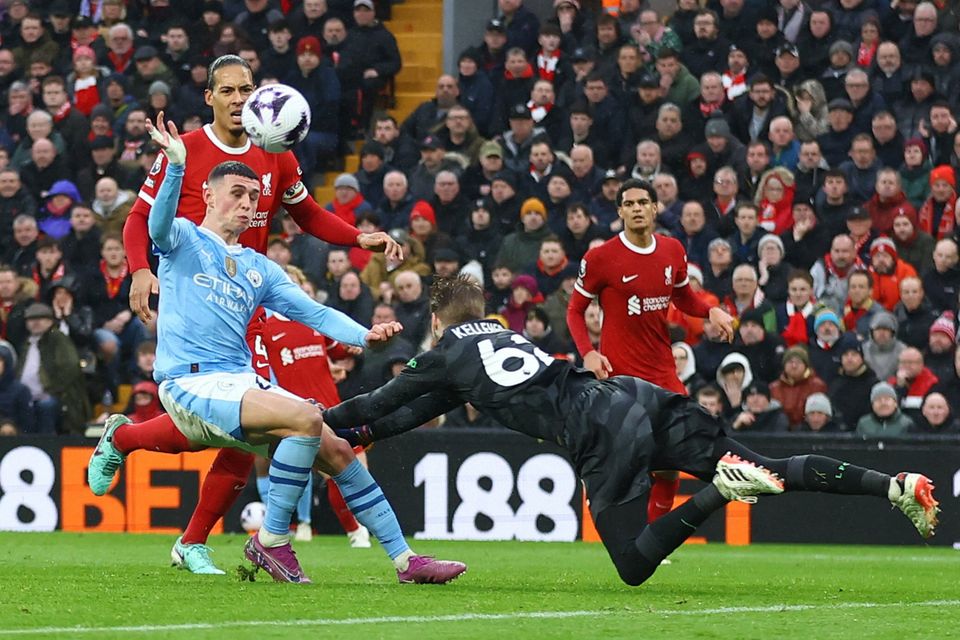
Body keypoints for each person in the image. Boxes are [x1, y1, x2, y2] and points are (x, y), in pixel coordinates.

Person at [324, 275, 939, 588]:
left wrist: (314, 420)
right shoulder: (507, 337)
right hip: (635, 394)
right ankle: (896, 486)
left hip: (598, 428)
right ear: (485, 313)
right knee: (774, 470)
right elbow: (402, 414)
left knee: (633, 566)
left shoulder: (441, 355)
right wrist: (365, 433)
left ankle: (720, 491)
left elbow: (383, 401)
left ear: (435, 319)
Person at [88, 122, 464, 586]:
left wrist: (365, 334)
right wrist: (175, 169)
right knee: (305, 418)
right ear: (206, 195)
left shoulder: (258, 267)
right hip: (189, 381)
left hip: (239, 381)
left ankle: (407, 561)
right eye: (236, 194)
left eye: (253, 197)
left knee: (340, 451)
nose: (247, 204)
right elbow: (155, 222)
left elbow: (314, 313)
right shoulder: (183, 239)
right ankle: (271, 540)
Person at [119, 55, 400, 575]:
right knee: (244, 430)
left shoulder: (276, 150)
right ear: (210, 97)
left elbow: (307, 213)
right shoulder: (190, 150)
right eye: (227, 90)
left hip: (251, 297)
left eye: (245, 88)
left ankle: (182, 518)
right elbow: (141, 219)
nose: (238, 98)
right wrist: (140, 270)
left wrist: (358, 236)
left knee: (244, 433)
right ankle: (251, 537)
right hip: (195, 298)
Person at [567, 178, 736, 525]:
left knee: (671, 464)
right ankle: (616, 517)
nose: (637, 209)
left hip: (662, 373)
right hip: (621, 376)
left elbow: (683, 297)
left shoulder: (672, 250)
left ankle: (651, 537)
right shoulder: (601, 258)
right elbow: (574, 310)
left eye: (643, 202)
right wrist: (587, 353)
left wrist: (711, 310)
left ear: (656, 207)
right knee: (629, 460)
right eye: (628, 204)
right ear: (620, 212)